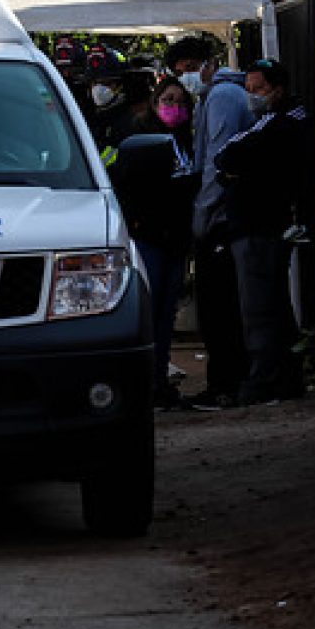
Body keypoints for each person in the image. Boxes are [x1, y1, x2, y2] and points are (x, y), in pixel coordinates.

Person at [214, 58, 310, 405]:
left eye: (259, 90)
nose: (252, 96)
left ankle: (265, 382)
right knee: (271, 307)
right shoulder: (271, 124)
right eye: (249, 89)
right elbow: (228, 159)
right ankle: (281, 377)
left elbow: (227, 155)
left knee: (260, 310)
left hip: (260, 227)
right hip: (257, 226)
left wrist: (235, 169)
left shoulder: (283, 123)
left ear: (278, 90)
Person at [113, 76, 199, 410]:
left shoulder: (187, 142)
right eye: (167, 100)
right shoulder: (140, 140)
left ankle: (159, 382)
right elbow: (127, 186)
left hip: (176, 239)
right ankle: (146, 385)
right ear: (154, 103)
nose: (173, 107)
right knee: (149, 313)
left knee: (166, 315)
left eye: (179, 101)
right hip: (149, 236)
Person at [188, 56, 255, 410]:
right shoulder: (221, 95)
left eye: (189, 66)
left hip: (220, 220)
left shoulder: (222, 97)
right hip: (227, 216)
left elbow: (217, 158)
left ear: (208, 64)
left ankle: (225, 386)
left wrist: (203, 215)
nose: (187, 75)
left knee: (218, 309)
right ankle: (228, 382)